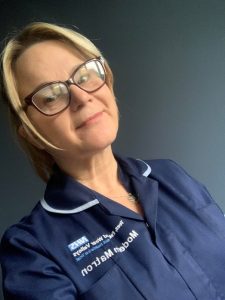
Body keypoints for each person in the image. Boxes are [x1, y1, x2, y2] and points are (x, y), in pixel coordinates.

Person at [0, 22, 225, 300]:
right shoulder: (32, 248)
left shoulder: (170, 175)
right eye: (50, 96)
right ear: (31, 134)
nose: (82, 97)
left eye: (85, 76)